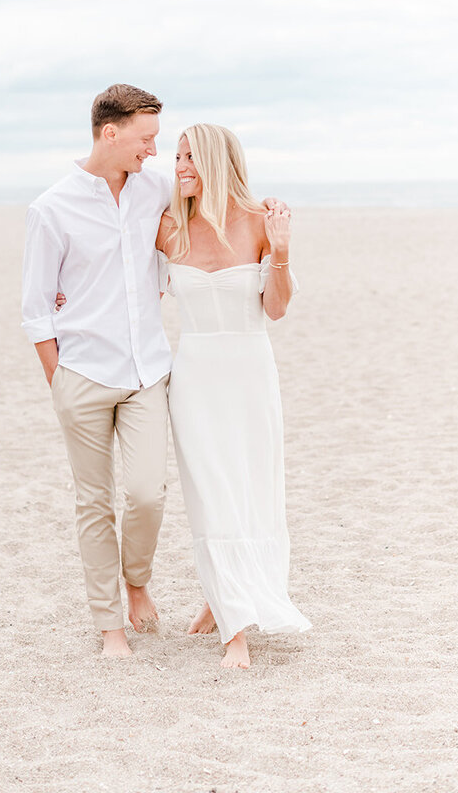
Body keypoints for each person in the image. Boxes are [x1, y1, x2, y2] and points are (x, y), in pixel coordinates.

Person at [21, 83, 172, 659]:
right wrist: (60, 383)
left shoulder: (155, 187)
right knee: (93, 502)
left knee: (146, 494)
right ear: (111, 133)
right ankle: (110, 624)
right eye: (146, 138)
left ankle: (137, 581)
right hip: (82, 375)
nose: (153, 151)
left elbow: (211, 197)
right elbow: (36, 309)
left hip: (146, 373)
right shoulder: (51, 208)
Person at [156, 123, 311, 669]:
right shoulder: (169, 227)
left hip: (250, 370)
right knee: (210, 490)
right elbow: (129, 287)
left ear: (219, 162)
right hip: (196, 374)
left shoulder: (260, 223)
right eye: (177, 157)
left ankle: (221, 597)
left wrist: (284, 251)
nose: (179, 167)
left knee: (250, 486)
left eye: (191, 158)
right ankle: (235, 633)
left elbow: (276, 308)